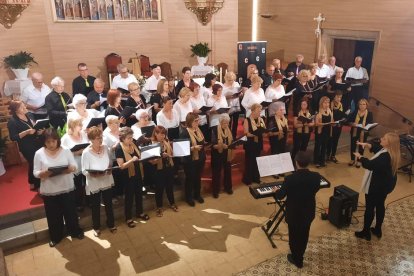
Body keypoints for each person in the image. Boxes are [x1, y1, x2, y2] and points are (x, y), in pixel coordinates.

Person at [33, 128, 84, 247]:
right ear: (44, 142)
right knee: (53, 215)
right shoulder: (39, 153)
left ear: (58, 140)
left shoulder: (66, 150)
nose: (51, 144)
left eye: (53, 141)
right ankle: (56, 237)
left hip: (66, 187)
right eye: (48, 142)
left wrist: (71, 168)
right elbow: (35, 172)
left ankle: (75, 231)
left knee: (71, 212)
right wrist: (42, 173)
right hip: (50, 190)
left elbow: (74, 165)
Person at [274, 151, 321, 268]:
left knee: (294, 236)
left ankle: (296, 259)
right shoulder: (316, 176)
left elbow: (281, 196)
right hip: (308, 212)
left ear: (296, 163)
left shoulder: (290, 179)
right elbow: (315, 189)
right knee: (304, 234)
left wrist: (276, 191)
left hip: (294, 213)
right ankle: (300, 254)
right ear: (308, 163)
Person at [354, 133, 400, 241]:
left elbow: (370, 165)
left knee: (370, 207)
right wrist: (366, 145)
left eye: (384, 139)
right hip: (386, 185)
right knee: (380, 205)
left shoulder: (384, 158)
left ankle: (365, 232)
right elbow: (378, 148)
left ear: (389, 143)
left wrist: (360, 157)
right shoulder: (392, 152)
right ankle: (378, 229)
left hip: (377, 186)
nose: (381, 139)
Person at [82, 127, 116, 236]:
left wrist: (110, 168)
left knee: (108, 204)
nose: (100, 140)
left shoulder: (105, 147)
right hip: (94, 182)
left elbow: (110, 161)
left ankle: (111, 224)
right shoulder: (86, 152)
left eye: (101, 137)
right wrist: (93, 173)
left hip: (106, 179)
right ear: (91, 139)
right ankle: (96, 227)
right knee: (96, 206)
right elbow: (83, 170)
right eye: (97, 138)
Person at [115, 127, 149, 228]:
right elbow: (121, 166)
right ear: (122, 138)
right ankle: (128, 218)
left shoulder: (133, 144)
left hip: (138, 173)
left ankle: (140, 213)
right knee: (129, 198)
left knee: (139, 194)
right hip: (127, 176)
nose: (131, 140)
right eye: (129, 138)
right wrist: (132, 160)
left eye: (131, 137)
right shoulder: (119, 148)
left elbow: (139, 155)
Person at [7, 101, 44, 190]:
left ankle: (31, 181)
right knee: (34, 163)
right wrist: (26, 132)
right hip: (26, 146)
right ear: (16, 110)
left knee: (34, 163)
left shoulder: (29, 115)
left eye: (24, 106)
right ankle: (38, 185)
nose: (25, 108)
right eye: (22, 107)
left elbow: (34, 126)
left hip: (37, 142)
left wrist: (39, 130)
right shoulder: (12, 122)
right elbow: (13, 137)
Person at [149, 126, 178, 216]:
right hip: (158, 170)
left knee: (170, 187)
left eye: (164, 134)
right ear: (156, 134)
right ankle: (159, 207)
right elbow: (152, 161)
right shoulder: (152, 144)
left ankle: (172, 203)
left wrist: (172, 152)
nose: (162, 136)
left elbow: (172, 153)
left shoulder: (166, 141)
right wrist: (161, 156)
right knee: (159, 189)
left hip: (168, 167)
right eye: (160, 134)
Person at [61, 118, 89, 211]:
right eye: (79, 124)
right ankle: (79, 203)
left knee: (87, 183)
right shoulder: (65, 138)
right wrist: (76, 153)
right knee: (77, 185)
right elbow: (62, 153)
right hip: (75, 164)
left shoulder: (84, 134)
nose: (81, 126)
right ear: (72, 126)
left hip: (85, 162)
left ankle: (89, 202)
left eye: (81, 124)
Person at [180, 112, 206, 206]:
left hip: (200, 158)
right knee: (190, 179)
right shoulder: (185, 133)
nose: (197, 122)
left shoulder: (198, 129)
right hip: (190, 160)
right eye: (196, 121)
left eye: (198, 120)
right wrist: (193, 148)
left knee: (198, 177)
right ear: (190, 121)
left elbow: (202, 141)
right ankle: (189, 197)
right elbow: (182, 149)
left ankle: (197, 195)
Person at [242, 103, 266, 185]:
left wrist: (264, 132)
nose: (260, 112)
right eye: (258, 111)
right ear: (253, 111)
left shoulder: (261, 119)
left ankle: (256, 178)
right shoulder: (247, 120)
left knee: (257, 161)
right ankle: (248, 179)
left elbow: (264, 130)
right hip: (250, 143)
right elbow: (246, 133)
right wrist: (254, 134)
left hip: (258, 143)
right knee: (249, 161)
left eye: (260, 110)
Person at [211, 113, 234, 198]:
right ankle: (215, 191)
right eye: (224, 123)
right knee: (216, 172)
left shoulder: (228, 129)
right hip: (217, 154)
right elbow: (213, 145)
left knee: (228, 170)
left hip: (227, 153)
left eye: (227, 123)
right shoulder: (214, 129)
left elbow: (231, 141)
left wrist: (233, 145)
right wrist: (220, 146)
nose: (226, 125)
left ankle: (228, 188)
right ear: (220, 122)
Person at [348, 99, 373, 168]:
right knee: (353, 146)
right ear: (358, 105)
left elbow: (370, 123)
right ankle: (352, 159)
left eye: (364, 104)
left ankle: (359, 160)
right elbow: (349, 120)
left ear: (366, 105)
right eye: (360, 104)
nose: (362, 106)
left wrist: (366, 128)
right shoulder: (355, 112)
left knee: (361, 147)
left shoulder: (369, 113)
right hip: (355, 131)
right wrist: (352, 123)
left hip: (363, 132)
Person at [103, 115, 123, 201]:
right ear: (109, 124)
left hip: (123, 156)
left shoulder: (120, 130)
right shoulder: (105, 134)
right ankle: (114, 196)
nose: (118, 123)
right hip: (113, 159)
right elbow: (106, 150)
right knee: (115, 178)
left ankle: (121, 193)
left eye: (118, 122)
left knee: (122, 177)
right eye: (116, 122)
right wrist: (115, 146)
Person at [314, 96, 333, 168]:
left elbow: (331, 120)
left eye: (328, 102)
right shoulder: (318, 111)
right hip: (320, 131)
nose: (327, 104)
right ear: (321, 103)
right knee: (318, 146)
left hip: (327, 131)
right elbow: (316, 123)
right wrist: (323, 124)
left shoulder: (329, 111)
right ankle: (316, 161)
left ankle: (322, 160)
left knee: (324, 146)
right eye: (325, 102)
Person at [326, 91, 345, 163]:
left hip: (338, 126)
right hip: (331, 126)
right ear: (334, 97)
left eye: (340, 97)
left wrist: (343, 119)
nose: (339, 99)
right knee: (329, 141)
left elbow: (343, 114)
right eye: (338, 97)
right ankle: (327, 155)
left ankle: (333, 155)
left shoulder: (341, 105)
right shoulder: (330, 104)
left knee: (335, 141)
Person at [222, 71, 241, 138]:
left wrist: (240, 94)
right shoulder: (223, 86)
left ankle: (234, 137)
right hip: (228, 106)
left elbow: (239, 93)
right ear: (226, 79)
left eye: (233, 80)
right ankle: (228, 137)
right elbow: (221, 97)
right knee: (228, 123)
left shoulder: (236, 84)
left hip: (236, 105)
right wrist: (228, 97)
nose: (231, 81)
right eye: (230, 80)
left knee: (235, 123)